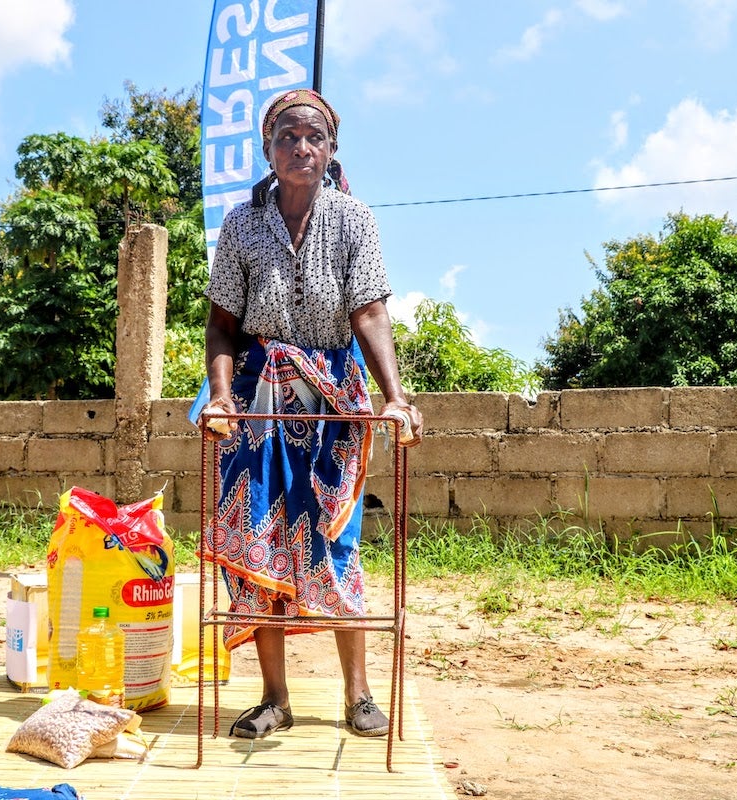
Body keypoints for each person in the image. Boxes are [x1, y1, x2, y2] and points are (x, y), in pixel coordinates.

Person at [198, 88, 423, 740]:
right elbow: (222, 327)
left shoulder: (353, 220)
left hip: (332, 408)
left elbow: (370, 314)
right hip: (256, 406)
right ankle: (274, 698)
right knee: (260, 543)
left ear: (331, 149)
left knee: (336, 541)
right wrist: (219, 395)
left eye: (314, 137)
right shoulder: (243, 225)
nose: (301, 147)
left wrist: (395, 398)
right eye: (288, 137)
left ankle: (358, 694)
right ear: (269, 151)